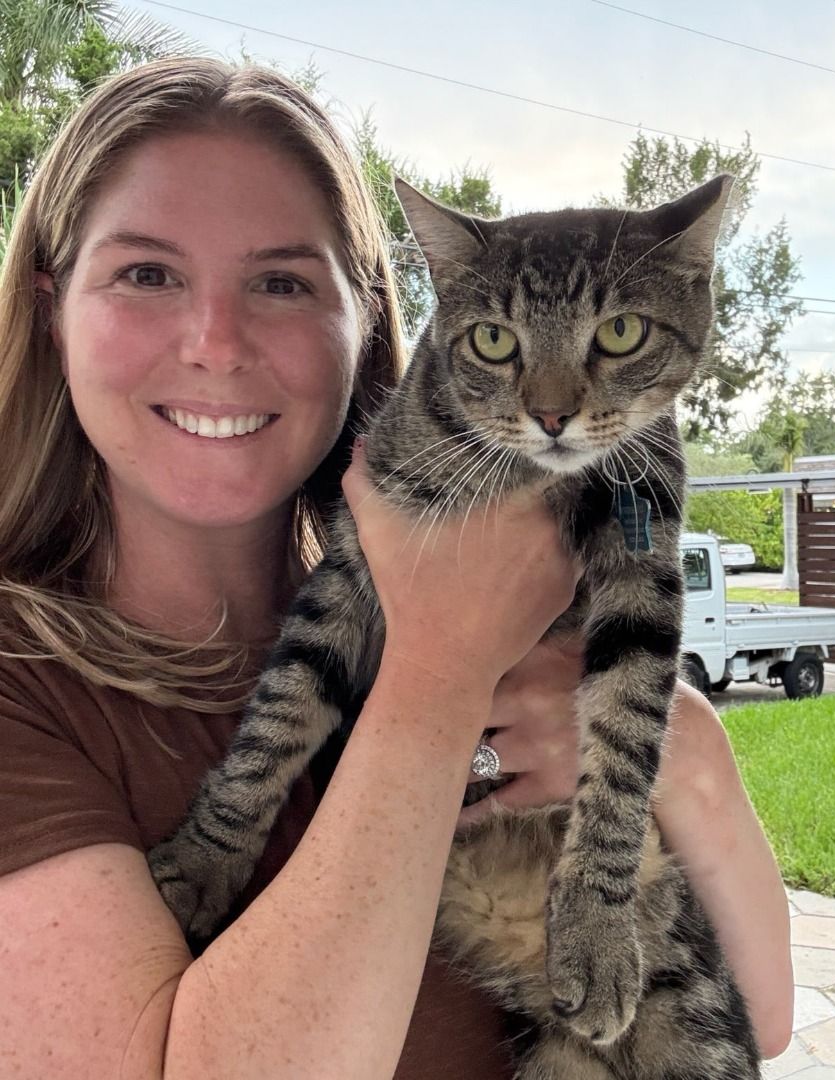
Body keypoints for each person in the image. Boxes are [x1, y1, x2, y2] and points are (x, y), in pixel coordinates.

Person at [0, 58, 791, 1078]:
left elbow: (758, 1019)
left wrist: (687, 756)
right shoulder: (24, 694)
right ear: (52, 306)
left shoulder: (578, 500)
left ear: (369, 315)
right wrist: (438, 678)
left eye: (282, 281)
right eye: (147, 273)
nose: (215, 343)